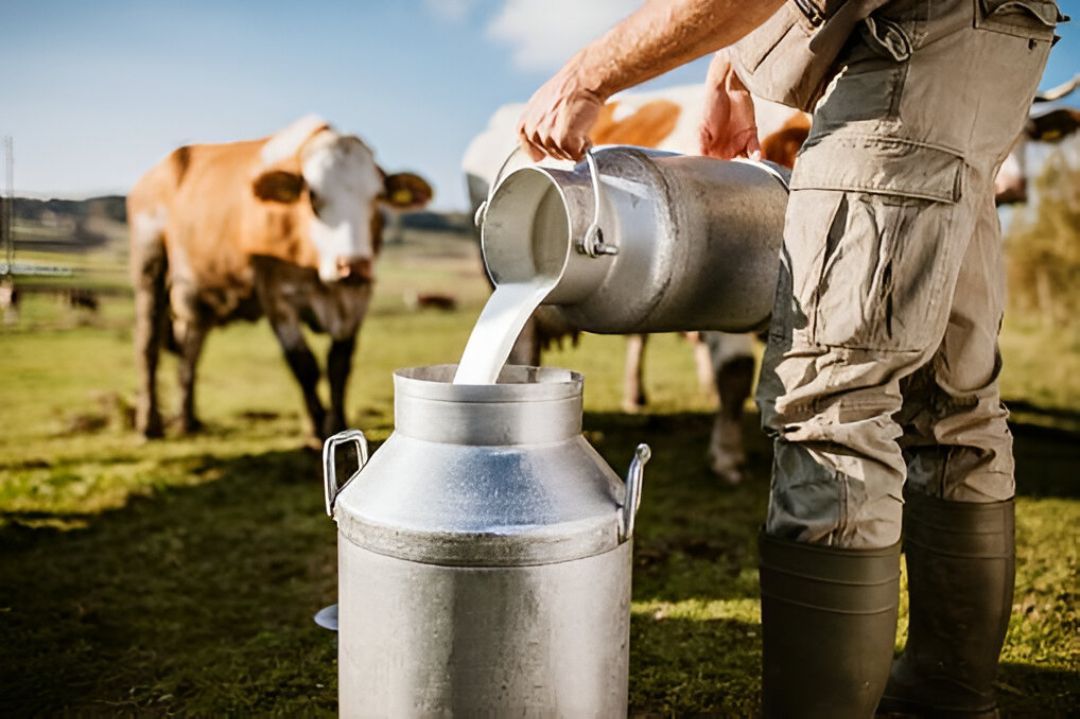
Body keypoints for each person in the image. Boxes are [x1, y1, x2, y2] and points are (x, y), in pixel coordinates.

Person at [515, 0, 1060, 716]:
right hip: (987, 42)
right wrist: (731, 66)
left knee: (831, 402)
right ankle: (945, 695)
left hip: (904, 51)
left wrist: (587, 75)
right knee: (949, 397)